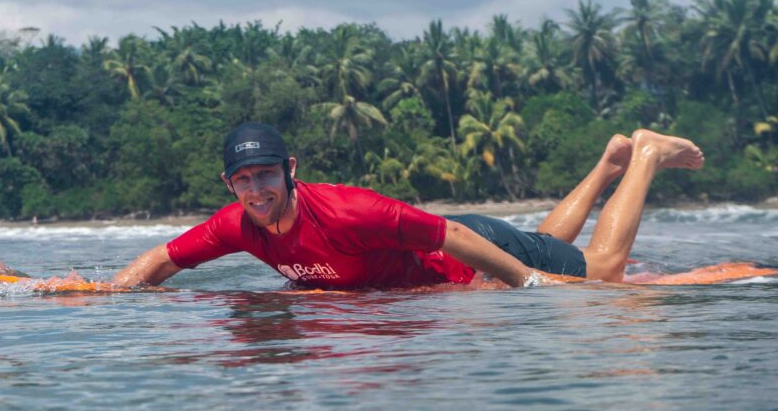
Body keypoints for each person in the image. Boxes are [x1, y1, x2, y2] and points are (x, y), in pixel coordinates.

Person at [112, 122, 704, 290]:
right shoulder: (236, 224)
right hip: (470, 254)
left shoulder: (349, 210)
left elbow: (448, 234)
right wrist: (108, 295)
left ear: (290, 171)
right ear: (229, 183)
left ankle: (647, 154)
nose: (256, 188)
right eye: (243, 179)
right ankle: (608, 166)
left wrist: (527, 285)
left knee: (601, 275)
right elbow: (161, 260)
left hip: (469, 248)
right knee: (552, 249)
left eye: (266, 173)